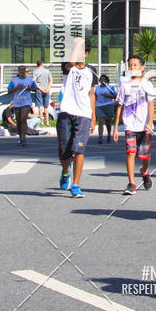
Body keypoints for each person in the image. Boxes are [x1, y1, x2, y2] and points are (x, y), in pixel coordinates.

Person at [56, 39, 97, 198]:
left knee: (78, 149)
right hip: (66, 112)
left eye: (82, 51)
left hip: (84, 114)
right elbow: (71, 63)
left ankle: (76, 184)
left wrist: (93, 118)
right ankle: (66, 170)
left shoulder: (92, 71)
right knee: (64, 152)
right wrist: (77, 44)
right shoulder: (68, 66)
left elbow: (91, 95)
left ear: (86, 54)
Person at [113, 55, 156, 196]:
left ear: (142, 68)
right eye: (130, 65)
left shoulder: (147, 85)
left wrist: (150, 123)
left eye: (135, 65)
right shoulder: (124, 85)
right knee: (130, 152)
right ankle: (131, 183)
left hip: (143, 126)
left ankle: (144, 170)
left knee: (145, 155)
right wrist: (115, 128)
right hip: (129, 124)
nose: (132, 68)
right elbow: (119, 106)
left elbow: (151, 105)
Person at [7, 66, 39, 146]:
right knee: (18, 120)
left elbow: (35, 89)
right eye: (20, 70)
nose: (22, 71)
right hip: (17, 102)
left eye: (24, 70)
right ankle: (20, 136)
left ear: (26, 71)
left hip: (26, 103)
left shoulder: (30, 80)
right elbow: (9, 91)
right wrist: (16, 88)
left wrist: (29, 89)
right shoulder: (14, 80)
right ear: (18, 71)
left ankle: (23, 137)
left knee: (23, 118)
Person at [95, 74, 116, 144]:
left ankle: (109, 134)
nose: (102, 81)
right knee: (100, 121)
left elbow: (115, 96)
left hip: (108, 105)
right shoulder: (97, 88)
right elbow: (95, 96)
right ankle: (100, 137)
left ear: (106, 81)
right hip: (99, 106)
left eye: (104, 79)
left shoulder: (110, 87)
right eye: (101, 79)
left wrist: (108, 96)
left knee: (108, 122)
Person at [33, 60, 52, 126]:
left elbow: (34, 81)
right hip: (46, 90)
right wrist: (48, 88)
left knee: (40, 106)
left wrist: (40, 88)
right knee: (46, 107)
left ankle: (41, 121)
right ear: (42, 64)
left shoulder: (35, 71)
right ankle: (47, 122)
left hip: (39, 90)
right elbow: (51, 80)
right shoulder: (47, 71)